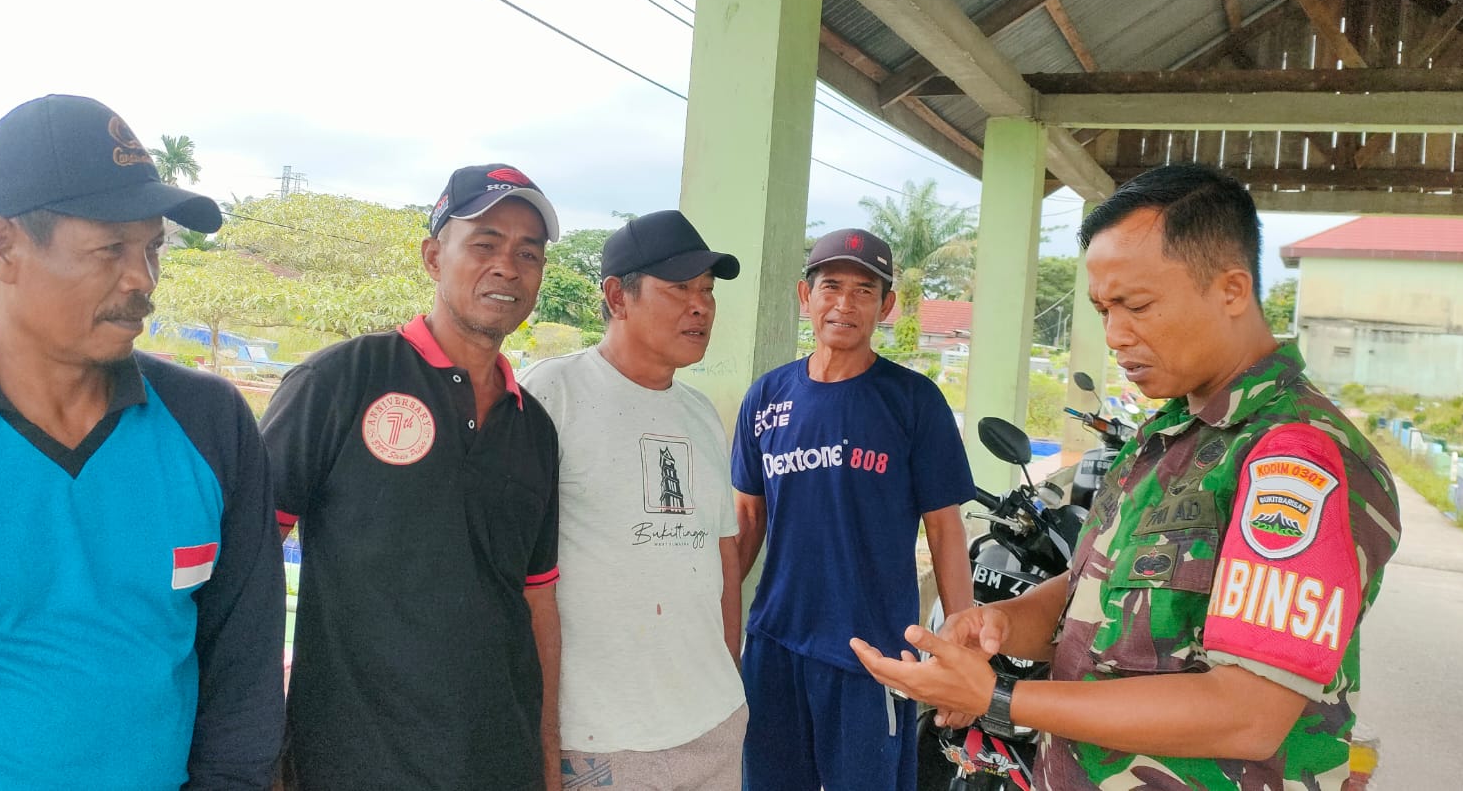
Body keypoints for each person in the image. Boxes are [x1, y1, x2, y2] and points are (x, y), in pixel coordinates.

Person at [852, 163, 1403, 790]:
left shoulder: (1295, 456)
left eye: (1137, 306)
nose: (1115, 335)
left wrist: (999, 698)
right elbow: (1096, 592)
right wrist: (1002, 621)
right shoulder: (1167, 434)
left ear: (1231, 290)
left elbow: (1248, 713)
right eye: (1103, 310)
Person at [0, 94, 284, 788]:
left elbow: (244, 674)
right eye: (111, 248)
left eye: (152, 247)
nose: (143, 279)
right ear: (5, 248)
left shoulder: (211, 424)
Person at [262, 164, 563, 790]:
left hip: (497, 763)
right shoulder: (338, 382)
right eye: (484, 244)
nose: (508, 268)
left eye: (528, 254)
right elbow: (248, 562)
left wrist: (545, 751)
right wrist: (256, 745)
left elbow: (536, 598)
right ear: (433, 257)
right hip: (352, 764)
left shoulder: (533, 426)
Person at [733, 228, 977, 791]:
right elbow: (746, 522)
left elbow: (945, 531)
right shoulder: (766, 398)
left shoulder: (913, 401)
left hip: (873, 653)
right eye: (831, 287)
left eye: (864, 291)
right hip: (776, 643)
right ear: (806, 296)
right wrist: (716, 622)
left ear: (886, 306)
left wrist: (959, 647)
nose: (845, 303)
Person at [521, 210, 746, 790]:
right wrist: (541, 737)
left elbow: (722, 553)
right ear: (617, 297)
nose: (701, 307)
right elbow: (512, 570)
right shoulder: (551, 395)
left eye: (707, 290)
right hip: (601, 741)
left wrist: (730, 677)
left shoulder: (700, 412)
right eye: (679, 289)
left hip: (714, 724)